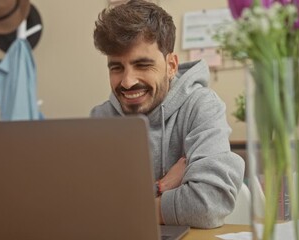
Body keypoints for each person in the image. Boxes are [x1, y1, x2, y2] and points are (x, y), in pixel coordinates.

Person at [91, 0, 245, 229]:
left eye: (142, 65)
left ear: (171, 65)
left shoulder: (201, 106)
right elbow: (88, 207)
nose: (127, 81)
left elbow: (210, 202)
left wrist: (125, 208)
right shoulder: (102, 118)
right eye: (116, 67)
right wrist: (161, 187)